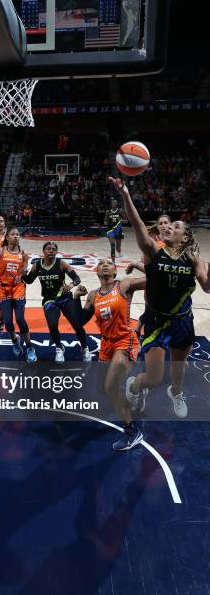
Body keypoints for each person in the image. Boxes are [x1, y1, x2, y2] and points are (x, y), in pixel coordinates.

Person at [108, 175, 210, 418]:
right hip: (157, 320)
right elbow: (138, 225)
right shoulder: (153, 252)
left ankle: (176, 392)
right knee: (154, 378)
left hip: (183, 320)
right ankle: (135, 385)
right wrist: (126, 196)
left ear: (184, 237)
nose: (167, 227)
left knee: (178, 369)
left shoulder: (194, 258)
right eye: (166, 225)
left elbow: (206, 287)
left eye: (174, 226)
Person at [73, 258, 146, 450]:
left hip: (124, 341)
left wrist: (139, 265)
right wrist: (75, 298)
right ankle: (134, 391)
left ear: (115, 270)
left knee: (111, 386)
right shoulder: (93, 295)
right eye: (101, 263)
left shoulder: (124, 285)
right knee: (103, 390)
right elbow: (80, 321)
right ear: (97, 271)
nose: (105, 264)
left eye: (109, 263)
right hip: (106, 344)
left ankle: (132, 432)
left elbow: (155, 279)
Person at [23, 241, 91, 362]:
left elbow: (77, 278)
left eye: (54, 249)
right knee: (52, 325)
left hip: (64, 298)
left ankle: (85, 348)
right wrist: (22, 268)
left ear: (56, 252)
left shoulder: (61, 263)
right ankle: (59, 348)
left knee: (77, 325)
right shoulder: (38, 265)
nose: (51, 251)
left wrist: (70, 285)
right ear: (43, 252)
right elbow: (28, 280)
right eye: (48, 249)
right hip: (49, 300)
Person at [0, 227, 37, 363]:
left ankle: (30, 347)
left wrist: (22, 273)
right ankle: (15, 341)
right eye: (13, 234)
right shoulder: (0, 251)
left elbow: (25, 266)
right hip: (3, 288)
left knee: (20, 320)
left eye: (17, 234)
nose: (16, 236)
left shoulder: (23, 253)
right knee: (9, 323)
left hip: (18, 288)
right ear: (7, 237)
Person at [126, 214, 171, 337]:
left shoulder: (176, 244)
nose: (163, 225)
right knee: (149, 313)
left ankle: (137, 332)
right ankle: (138, 334)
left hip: (171, 288)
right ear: (157, 226)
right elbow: (145, 267)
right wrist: (136, 264)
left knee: (161, 315)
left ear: (170, 224)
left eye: (165, 222)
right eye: (160, 223)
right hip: (154, 286)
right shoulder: (152, 244)